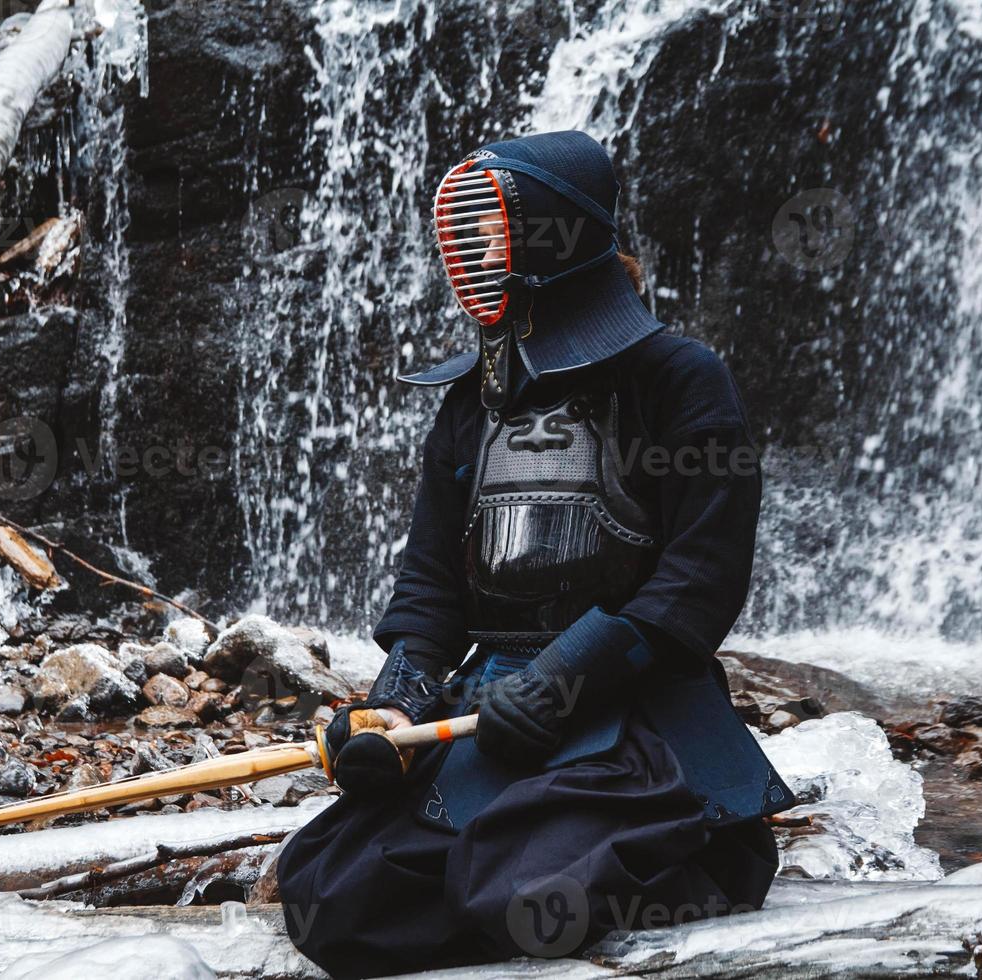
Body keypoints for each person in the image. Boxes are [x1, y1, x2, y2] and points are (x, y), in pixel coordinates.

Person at [276, 131, 795, 978]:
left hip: (637, 713)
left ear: (558, 236)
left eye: (490, 234)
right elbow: (433, 588)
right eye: (466, 237)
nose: (470, 257)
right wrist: (393, 712)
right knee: (326, 899)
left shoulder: (680, 378)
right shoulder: (470, 403)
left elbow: (699, 585)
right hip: (494, 703)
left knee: (512, 893)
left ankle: (712, 849)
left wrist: (567, 681)